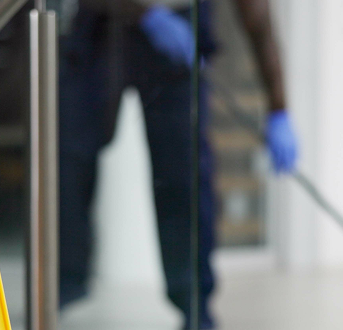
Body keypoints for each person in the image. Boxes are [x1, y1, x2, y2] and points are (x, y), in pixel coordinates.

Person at [59, 0, 298, 328]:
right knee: (66, 154)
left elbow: (256, 17)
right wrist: (146, 13)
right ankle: (60, 286)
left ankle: (195, 306)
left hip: (182, 21)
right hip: (103, 24)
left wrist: (278, 108)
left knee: (185, 178)